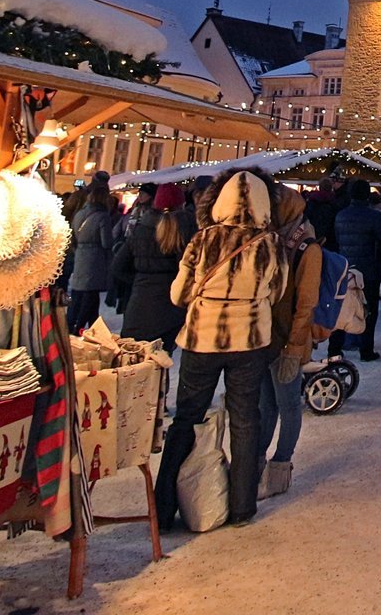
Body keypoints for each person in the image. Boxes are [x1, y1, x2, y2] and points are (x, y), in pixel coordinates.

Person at [155, 170, 286, 530]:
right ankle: (242, 505)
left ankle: (164, 506)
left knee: (187, 417)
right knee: (245, 419)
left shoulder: (204, 240)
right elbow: (276, 293)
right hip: (248, 341)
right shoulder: (269, 244)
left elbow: (178, 294)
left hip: (203, 338)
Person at [256, 181, 323, 498]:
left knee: (287, 406)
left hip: (287, 341)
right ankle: (254, 466)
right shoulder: (268, 242)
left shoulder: (307, 248)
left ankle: (280, 467)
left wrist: (295, 348)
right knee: (265, 406)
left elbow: (306, 303)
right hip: (265, 338)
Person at [117, 182, 188, 352]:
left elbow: (118, 266)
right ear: (181, 205)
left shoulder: (141, 230)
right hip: (170, 307)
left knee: (134, 364)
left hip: (139, 303)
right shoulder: (185, 231)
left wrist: (139, 282)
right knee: (161, 362)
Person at [331, 179, 381, 359]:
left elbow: (337, 240)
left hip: (345, 269)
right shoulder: (374, 217)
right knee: (368, 310)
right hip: (368, 271)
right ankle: (366, 349)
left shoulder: (341, 216)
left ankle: (335, 347)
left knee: (343, 308)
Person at [67, 177, 118, 332]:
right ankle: (80, 326)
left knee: (81, 294)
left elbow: (73, 235)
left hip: (81, 255)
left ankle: (83, 323)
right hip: (95, 259)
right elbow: (106, 242)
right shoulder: (102, 216)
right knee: (90, 295)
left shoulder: (80, 213)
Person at [304, 175, 341, 249]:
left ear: (320, 187)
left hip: (313, 237)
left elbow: (306, 219)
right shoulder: (336, 202)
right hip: (330, 239)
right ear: (331, 188)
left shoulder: (312, 202)